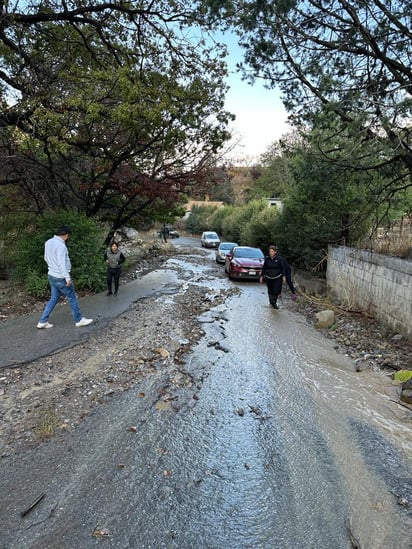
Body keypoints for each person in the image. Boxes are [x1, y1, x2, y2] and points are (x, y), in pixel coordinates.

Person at [37, 225, 93, 329]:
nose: (68, 238)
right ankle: (79, 320)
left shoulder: (48, 242)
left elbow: (46, 258)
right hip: (60, 276)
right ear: (66, 235)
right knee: (72, 297)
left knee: (54, 298)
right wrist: (67, 278)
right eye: (68, 236)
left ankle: (42, 321)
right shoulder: (61, 246)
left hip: (51, 275)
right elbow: (61, 263)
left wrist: (52, 267)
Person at [259, 245, 286, 309]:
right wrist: (261, 276)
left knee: (275, 290)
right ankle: (271, 301)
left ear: (275, 252)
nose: (271, 253)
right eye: (270, 251)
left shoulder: (279, 259)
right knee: (270, 290)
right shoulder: (267, 259)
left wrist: (283, 276)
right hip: (269, 277)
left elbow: (283, 268)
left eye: (272, 251)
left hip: (277, 277)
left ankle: (274, 302)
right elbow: (264, 268)